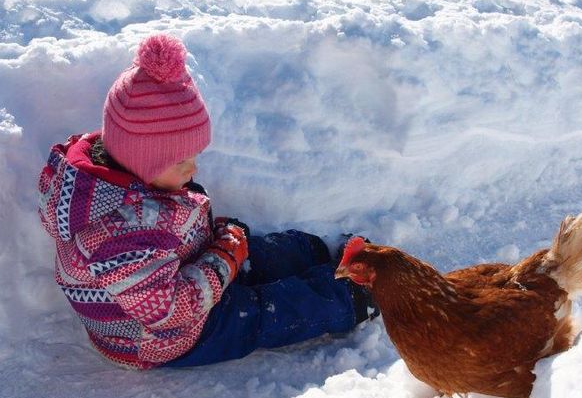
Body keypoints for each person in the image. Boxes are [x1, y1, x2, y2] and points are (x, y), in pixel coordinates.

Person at [37, 32, 376, 369]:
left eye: (194, 156)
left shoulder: (136, 184)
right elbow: (171, 310)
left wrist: (219, 244)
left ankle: (325, 252)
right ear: (143, 162)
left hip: (183, 272)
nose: (194, 167)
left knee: (257, 253)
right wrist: (223, 258)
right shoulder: (116, 238)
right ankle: (352, 296)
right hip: (158, 336)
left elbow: (167, 227)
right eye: (182, 162)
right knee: (258, 312)